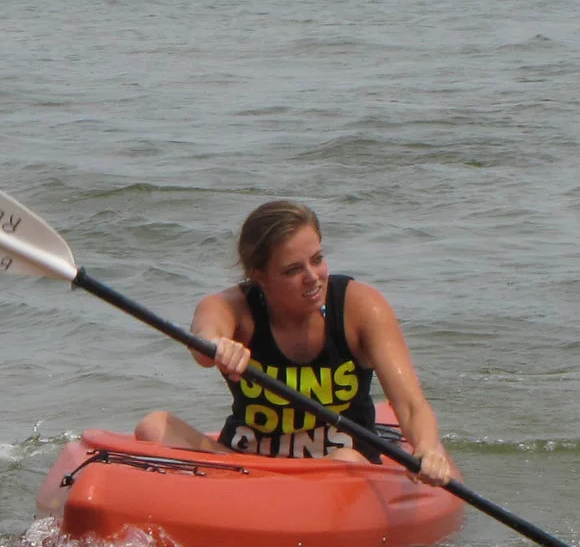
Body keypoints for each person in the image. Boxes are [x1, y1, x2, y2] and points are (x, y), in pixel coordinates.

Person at [132, 199, 457, 486]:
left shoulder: (361, 307)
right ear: (259, 275)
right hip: (245, 463)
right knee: (154, 425)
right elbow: (203, 342)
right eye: (292, 270)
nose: (313, 277)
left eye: (317, 259)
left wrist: (427, 449)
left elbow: (411, 405)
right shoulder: (231, 307)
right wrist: (218, 346)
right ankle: (243, 494)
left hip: (336, 466)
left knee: (348, 463)